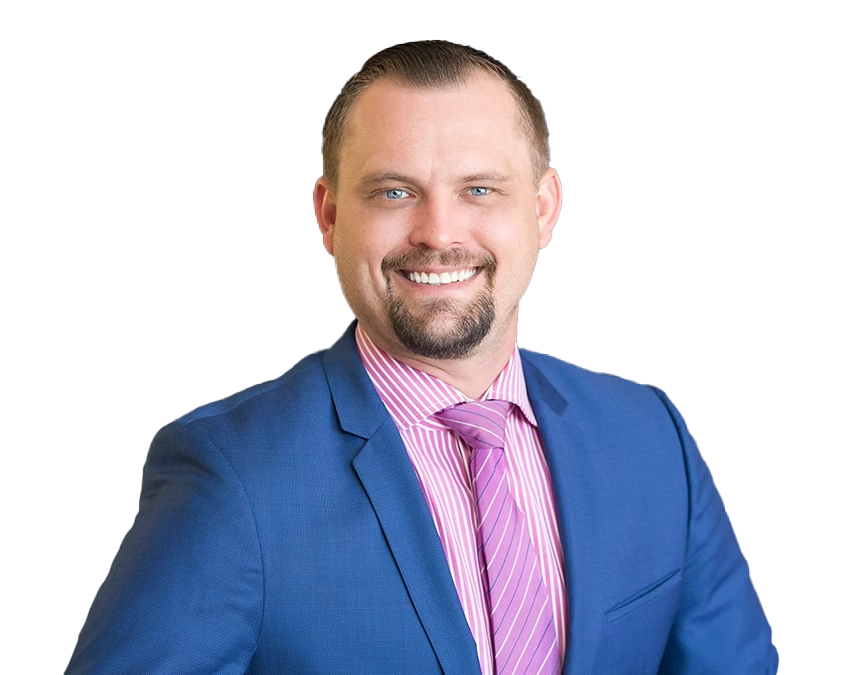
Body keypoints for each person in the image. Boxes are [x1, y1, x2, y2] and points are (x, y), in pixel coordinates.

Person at [66, 40, 779, 674]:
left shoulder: (651, 436)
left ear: (543, 209)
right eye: (394, 192)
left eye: (479, 189)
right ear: (329, 215)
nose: (439, 233)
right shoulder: (234, 477)